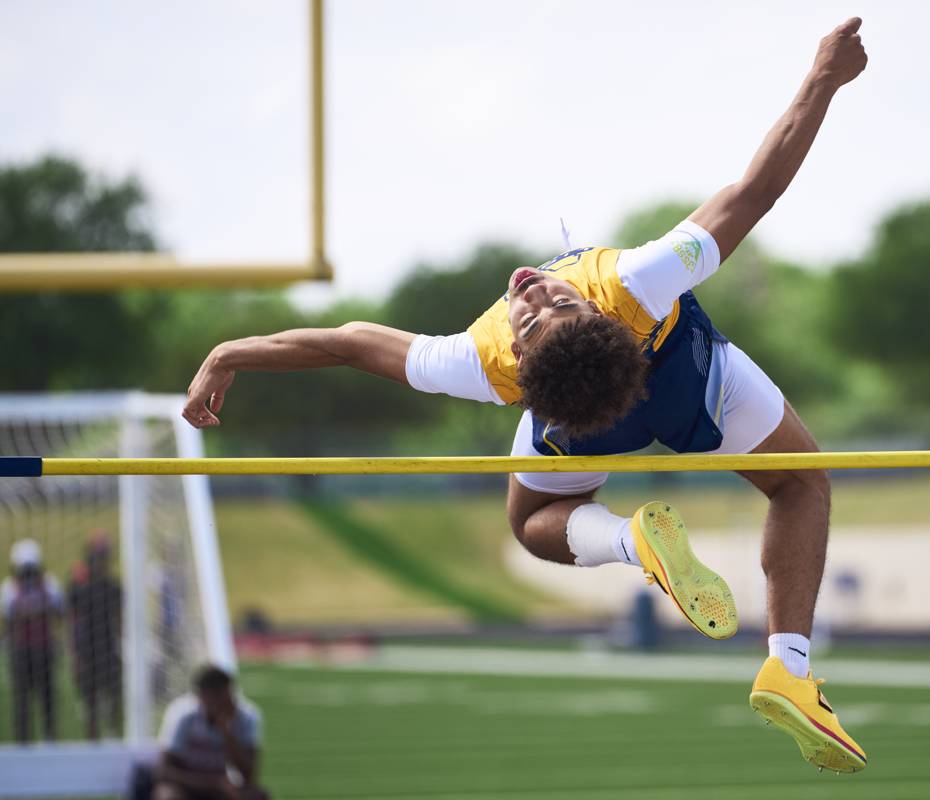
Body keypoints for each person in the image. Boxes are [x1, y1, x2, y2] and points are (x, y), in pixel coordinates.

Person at [183, 18, 869, 773]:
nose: (533, 296)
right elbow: (755, 192)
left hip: (596, 417)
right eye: (544, 311)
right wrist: (823, 79)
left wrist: (229, 352)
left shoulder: (477, 362)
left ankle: (630, 541)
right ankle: (789, 670)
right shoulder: (639, 282)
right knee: (802, 484)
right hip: (693, 378)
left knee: (534, 519)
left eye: (543, 312)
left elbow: (346, 344)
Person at [154, 665, 269, 800]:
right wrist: (214, 783)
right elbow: (164, 771)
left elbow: (248, 775)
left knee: (255, 796)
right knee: (169, 795)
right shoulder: (183, 715)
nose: (218, 704)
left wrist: (226, 733)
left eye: (222, 697)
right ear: (200, 697)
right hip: (186, 784)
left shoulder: (247, 717)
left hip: (222, 786)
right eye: (212, 697)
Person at [2, 538, 63, 743]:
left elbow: (58, 612)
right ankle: (23, 741)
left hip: (43, 649)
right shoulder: (10, 588)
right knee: (22, 700)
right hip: (21, 651)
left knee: (47, 698)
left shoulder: (49, 585)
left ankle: (49, 739)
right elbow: (9, 618)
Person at [67, 532, 122, 740]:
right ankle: (93, 742)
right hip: (86, 650)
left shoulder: (113, 586)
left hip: (108, 648)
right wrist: (74, 654)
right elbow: (71, 621)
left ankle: (113, 737)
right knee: (90, 704)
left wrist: (120, 648)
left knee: (113, 698)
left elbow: (119, 621)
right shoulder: (77, 586)